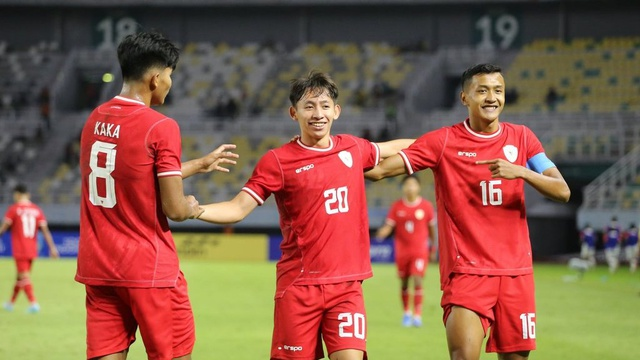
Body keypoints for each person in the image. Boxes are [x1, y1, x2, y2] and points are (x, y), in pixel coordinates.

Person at [196, 71, 413, 360]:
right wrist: (194, 210)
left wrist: (445, 145)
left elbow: (391, 148)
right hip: (298, 287)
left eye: (324, 105)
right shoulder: (277, 161)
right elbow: (238, 208)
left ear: (336, 111)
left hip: (347, 287)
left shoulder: (352, 148)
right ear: (293, 112)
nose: (317, 114)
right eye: (308, 106)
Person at [366, 63, 571, 360]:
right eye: (482, 90)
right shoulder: (444, 141)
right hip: (467, 273)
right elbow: (378, 172)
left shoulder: (523, 138)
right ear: (465, 98)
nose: (492, 98)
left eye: (498, 90)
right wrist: (338, 149)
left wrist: (521, 172)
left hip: (517, 274)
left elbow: (562, 190)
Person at [74, 32, 238, 360]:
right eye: (170, 77)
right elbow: (174, 209)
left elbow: (133, 174)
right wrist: (192, 207)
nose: (169, 85)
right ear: (155, 78)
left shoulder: (95, 119)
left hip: (100, 268)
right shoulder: (160, 126)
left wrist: (197, 164)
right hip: (149, 270)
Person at [375, 174, 436, 328]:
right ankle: (406, 313)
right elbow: (389, 225)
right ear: (403, 187)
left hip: (419, 251)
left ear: (419, 187)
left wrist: (433, 247)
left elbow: (431, 229)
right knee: (404, 282)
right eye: (407, 184)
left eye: (413, 185)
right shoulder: (397, 206)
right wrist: (383, 232)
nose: (410, 187)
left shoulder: (426, 206)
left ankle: (417, 315)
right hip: (402, 251)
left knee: (417, 278)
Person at [0, 184, 59, 313]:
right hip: (32, 248)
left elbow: (3, 228)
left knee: (24, 277)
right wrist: (52, 248)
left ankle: (33, 304)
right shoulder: (37, 210)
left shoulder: (14, 209)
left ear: (17, 194)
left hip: (20, 248)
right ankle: (10, 303)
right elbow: (45, 231)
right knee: (20, 277)